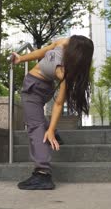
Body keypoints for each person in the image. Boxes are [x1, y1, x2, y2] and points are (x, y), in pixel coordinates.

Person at [11, 35, 94, 190]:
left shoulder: (63, 72)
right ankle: (53, 132)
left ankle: (42, 174)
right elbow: (43, 51)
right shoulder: (63, 43)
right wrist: (21, 59)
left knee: (35, 128)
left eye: (72, 43)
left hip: (34, 90)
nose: (67, 42)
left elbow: (58, 103)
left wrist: (48, 130)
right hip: (36, 85)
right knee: (37, 120)